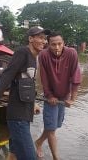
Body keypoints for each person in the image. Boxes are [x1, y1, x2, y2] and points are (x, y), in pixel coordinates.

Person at [0, 26, 48, 160]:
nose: (44, 41)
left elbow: (27, 84)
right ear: (31, 39)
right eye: (40, 38)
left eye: (45, 38)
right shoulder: (22, 53)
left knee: (13, 154)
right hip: (17, 116)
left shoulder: (33, 57)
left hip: (24, 113)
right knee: (30, 156)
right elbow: (6, 76)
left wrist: (33, 104)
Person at [35, 32, 81, 160]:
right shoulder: (43, 55)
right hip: (51, 97)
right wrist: (49, 95)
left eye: (59, 44)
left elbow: (75, 76)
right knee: (51, 129)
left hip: (64, 95)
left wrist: (73, 98)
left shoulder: (72, 53)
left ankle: (38, 142)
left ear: (64, 43)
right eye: (53, 44)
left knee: (54, 126)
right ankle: (56, 158)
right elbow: (43, 78)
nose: (56, 47)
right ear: (48, 45)